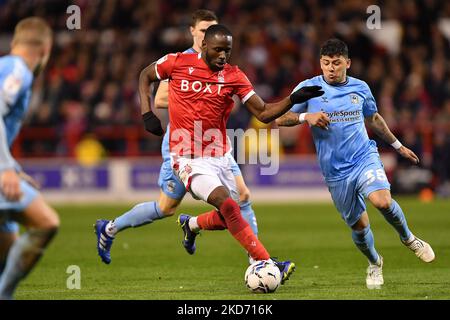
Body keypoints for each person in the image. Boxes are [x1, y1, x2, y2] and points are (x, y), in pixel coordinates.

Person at [133, 24, 323, 283]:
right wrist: (147, 113)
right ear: (204, 47)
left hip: (219, 156)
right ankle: (265, 261)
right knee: (229, 205)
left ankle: (192, 225)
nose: (223, 56)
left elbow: (264, 113)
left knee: (230, 214)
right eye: (218, 50)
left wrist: (292, 98)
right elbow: (145, 74)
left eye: (228, 51)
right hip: (187, 158)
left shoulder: (234, 76)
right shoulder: (177, 63)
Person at [94, 10, 258, 266]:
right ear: (193, 32)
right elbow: (159, 98)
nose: (209, 35)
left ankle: (257, 261)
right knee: (166, 207)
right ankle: (110, 228)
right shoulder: (182, 62)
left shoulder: (221, 64)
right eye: (203, 30)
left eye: (213, 30)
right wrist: (204, 94)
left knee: (243, 197)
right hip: (183, 145)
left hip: (215, 145)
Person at [276, 38, 435, 289]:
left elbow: (373, 118)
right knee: (359, 227)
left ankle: (409, 239)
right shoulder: (308, 88)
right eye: (326, 63)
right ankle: (374, 262)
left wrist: (398, 146)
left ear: (347, 63)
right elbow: (280, 118)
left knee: (382, 201)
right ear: (320, 63)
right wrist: (307, 116)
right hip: (335, 171)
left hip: (364, 157)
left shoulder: (360, 88)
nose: (331, 68)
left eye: (336, 63)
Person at [0, 17, 59, 300]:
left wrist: (13, 167)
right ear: (45, 49)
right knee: (46, 222)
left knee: (9, 250)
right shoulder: (18, 70)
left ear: (15, 42)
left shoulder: (4, 66)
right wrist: (5, 169)